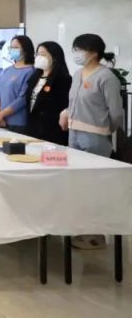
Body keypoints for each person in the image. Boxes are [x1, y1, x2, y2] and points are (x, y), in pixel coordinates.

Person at [59, 34, 125, 250]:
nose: (77, 54)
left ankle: (96, 236)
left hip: (96, 137)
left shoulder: (106, 77)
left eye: (80, 50)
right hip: (74, 133)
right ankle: (81, 231)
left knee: (94, 186)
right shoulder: (78, 74)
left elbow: (116, 112)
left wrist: (104, 129)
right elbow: (74, 102)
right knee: (78, 186)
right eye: (75, 49)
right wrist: (66, 114)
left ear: (94, 52)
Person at [25, 41, 71, 145]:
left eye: (43, 54)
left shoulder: (63, 79)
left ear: (54, 57)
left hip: (52, 130)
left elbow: (65, 105)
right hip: (33, 127)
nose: (39, 57)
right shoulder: (34, 77)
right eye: (38, 54)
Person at [0, 35, 35, 134]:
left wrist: (1, 114)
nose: (12, 50)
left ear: (26, 50)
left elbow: (22, 99)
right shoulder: (7, 70)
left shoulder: (30, 72)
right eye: (11, 47)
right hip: (1, 120)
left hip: (18, 123)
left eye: (16, 47)